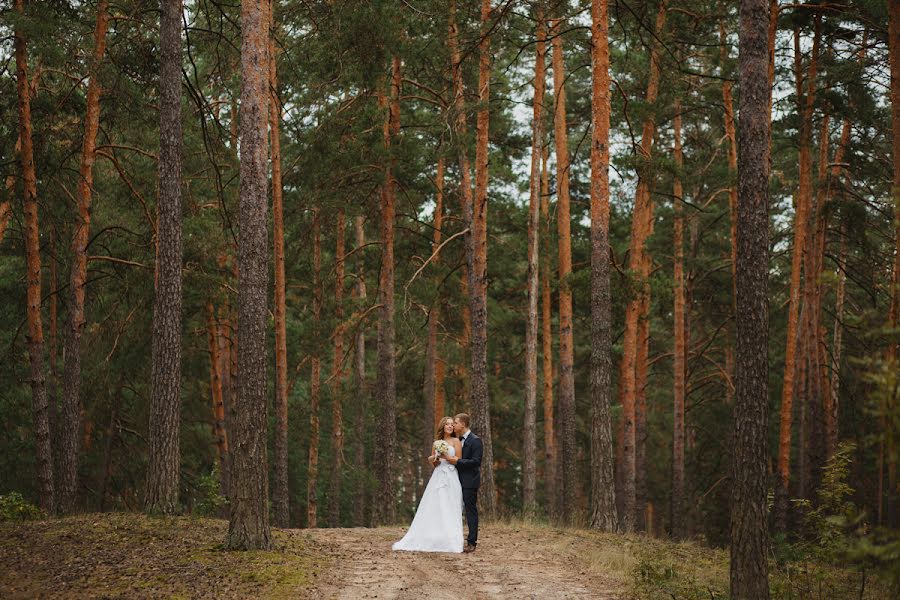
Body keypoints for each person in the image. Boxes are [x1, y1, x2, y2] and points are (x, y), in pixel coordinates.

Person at [392, 417, 464, 553]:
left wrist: (447, 456)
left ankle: (450, 539)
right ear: (442, 427)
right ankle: (434, 536)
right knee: (435, 505)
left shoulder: (456, 441)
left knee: (450, 505)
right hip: (438, 476)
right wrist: (433, 459)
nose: (449, 426)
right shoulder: (436, 443)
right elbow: (435, 463)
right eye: (447, 424)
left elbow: (458, 460)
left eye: (451, 424)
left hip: (451, 476)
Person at [442, 413, 482, 553]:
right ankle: (451, 539)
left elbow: (476, 462)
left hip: (469, 481)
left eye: (456, 423)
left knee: (470, 510)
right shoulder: (456, 439)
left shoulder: (476, 440)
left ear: (463, 424)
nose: (453, 425)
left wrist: (457, 461)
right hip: (454, 480)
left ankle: (472, 542)